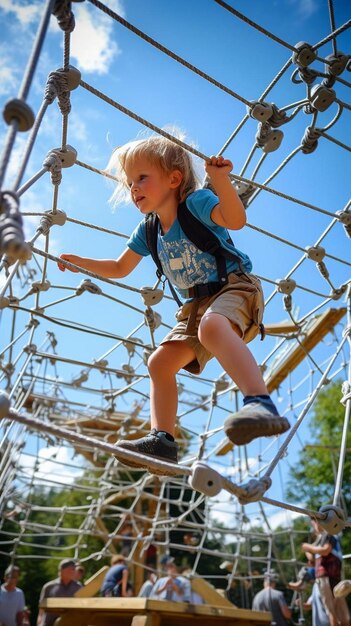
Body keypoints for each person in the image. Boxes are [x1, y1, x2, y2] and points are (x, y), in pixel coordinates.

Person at [58, 134, 290, 466]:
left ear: (174, 178)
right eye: (129, 183)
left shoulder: (196, 204)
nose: (133, 188)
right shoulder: (147, 230)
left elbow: (235, 219)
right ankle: (162, 441)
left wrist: (222, 182)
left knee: (212, 327)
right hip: (196, 308)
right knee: (160, 363)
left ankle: (260, 403)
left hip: (234, 288)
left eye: (141, 178)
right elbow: (120, 267)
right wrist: (80, 262)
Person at [301, 519, 350, 626]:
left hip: (328, 577)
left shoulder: (328, 535)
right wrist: (307, 550)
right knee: (335, 613)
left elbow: (325, 550)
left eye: (316, 522)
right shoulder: (321, 540)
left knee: (337, 613)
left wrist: (307, 547)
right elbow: (313, 559)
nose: (316, 525)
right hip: (330, 577)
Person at [37, 559, 82, 626]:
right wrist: (39, 623)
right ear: (63, 570)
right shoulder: (49, 587)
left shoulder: (78, 587)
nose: (74, 571)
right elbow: (41, 609)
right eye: (72, 569)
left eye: (74, 569)